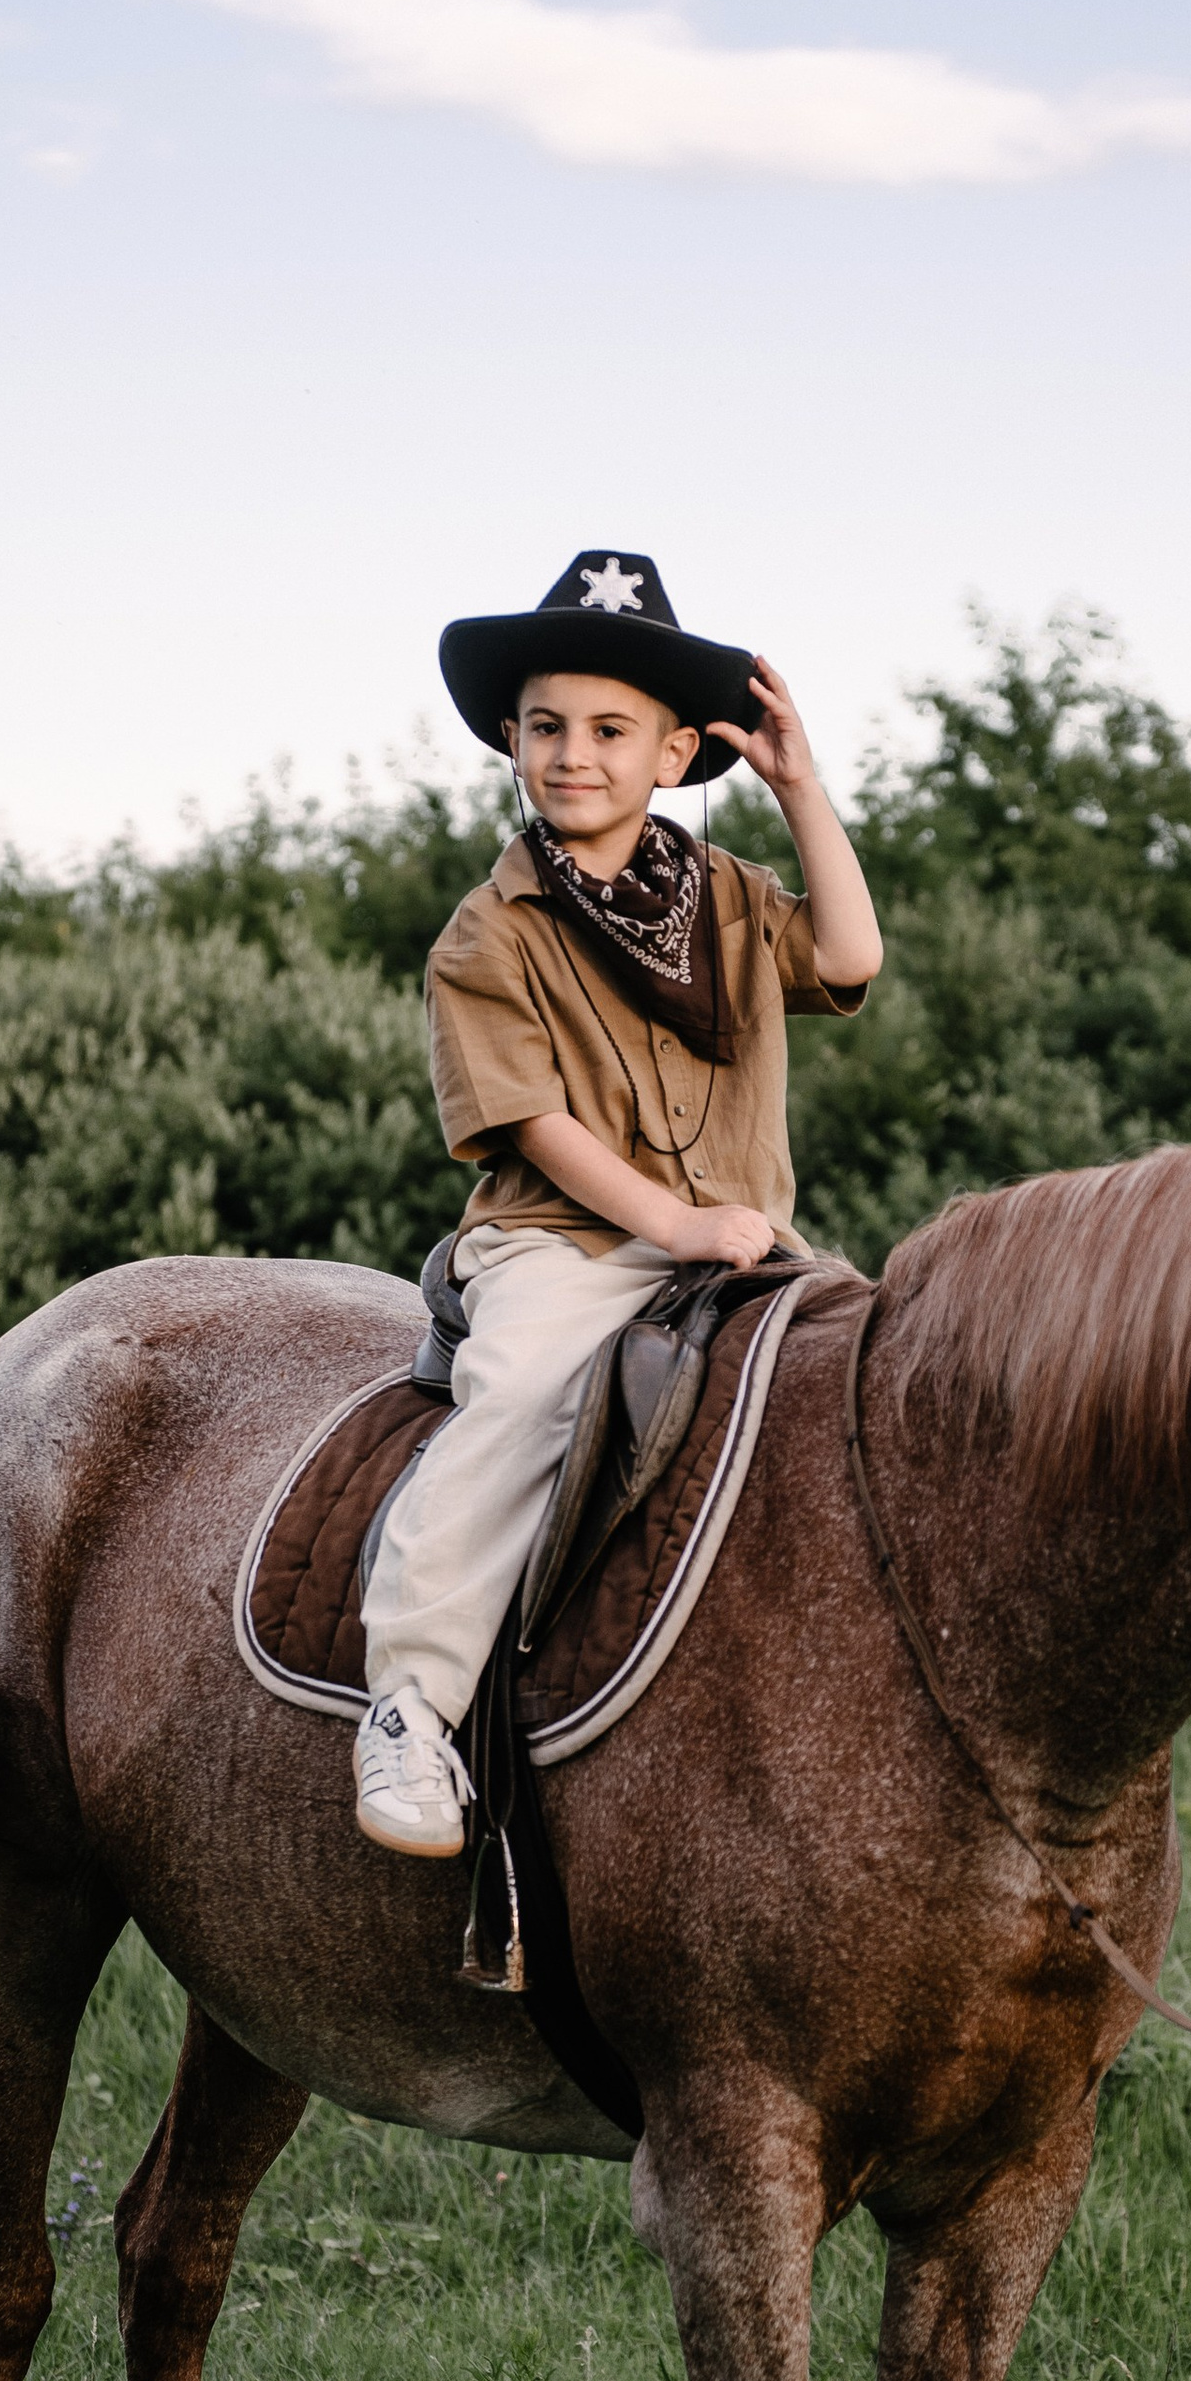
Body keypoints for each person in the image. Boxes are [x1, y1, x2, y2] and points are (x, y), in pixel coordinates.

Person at [353, 549, 884, 1858]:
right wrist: (676, 1226)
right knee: (528, 1387)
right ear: (512, 743)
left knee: (880, 1386)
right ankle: (412, 1706)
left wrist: (804, 790)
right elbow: (534, 1122)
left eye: (607, 730)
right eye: (544, 727)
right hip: (564, 1243)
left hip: (746, 1241)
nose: (571, 754)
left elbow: (852, 954)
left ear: (672, 755)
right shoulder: (493, 933)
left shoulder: (734, 902)